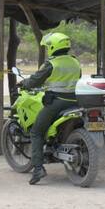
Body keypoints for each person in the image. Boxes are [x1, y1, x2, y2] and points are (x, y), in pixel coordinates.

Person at [20, 32, 82, 185]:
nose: (48, 49)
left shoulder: (51, 63)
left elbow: (35, 80)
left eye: (48, 47)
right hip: (75, 102)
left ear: (53, 46)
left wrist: (24, 83)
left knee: (36, 132)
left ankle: (38, 168)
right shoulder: (75, 62)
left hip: (57, 103)